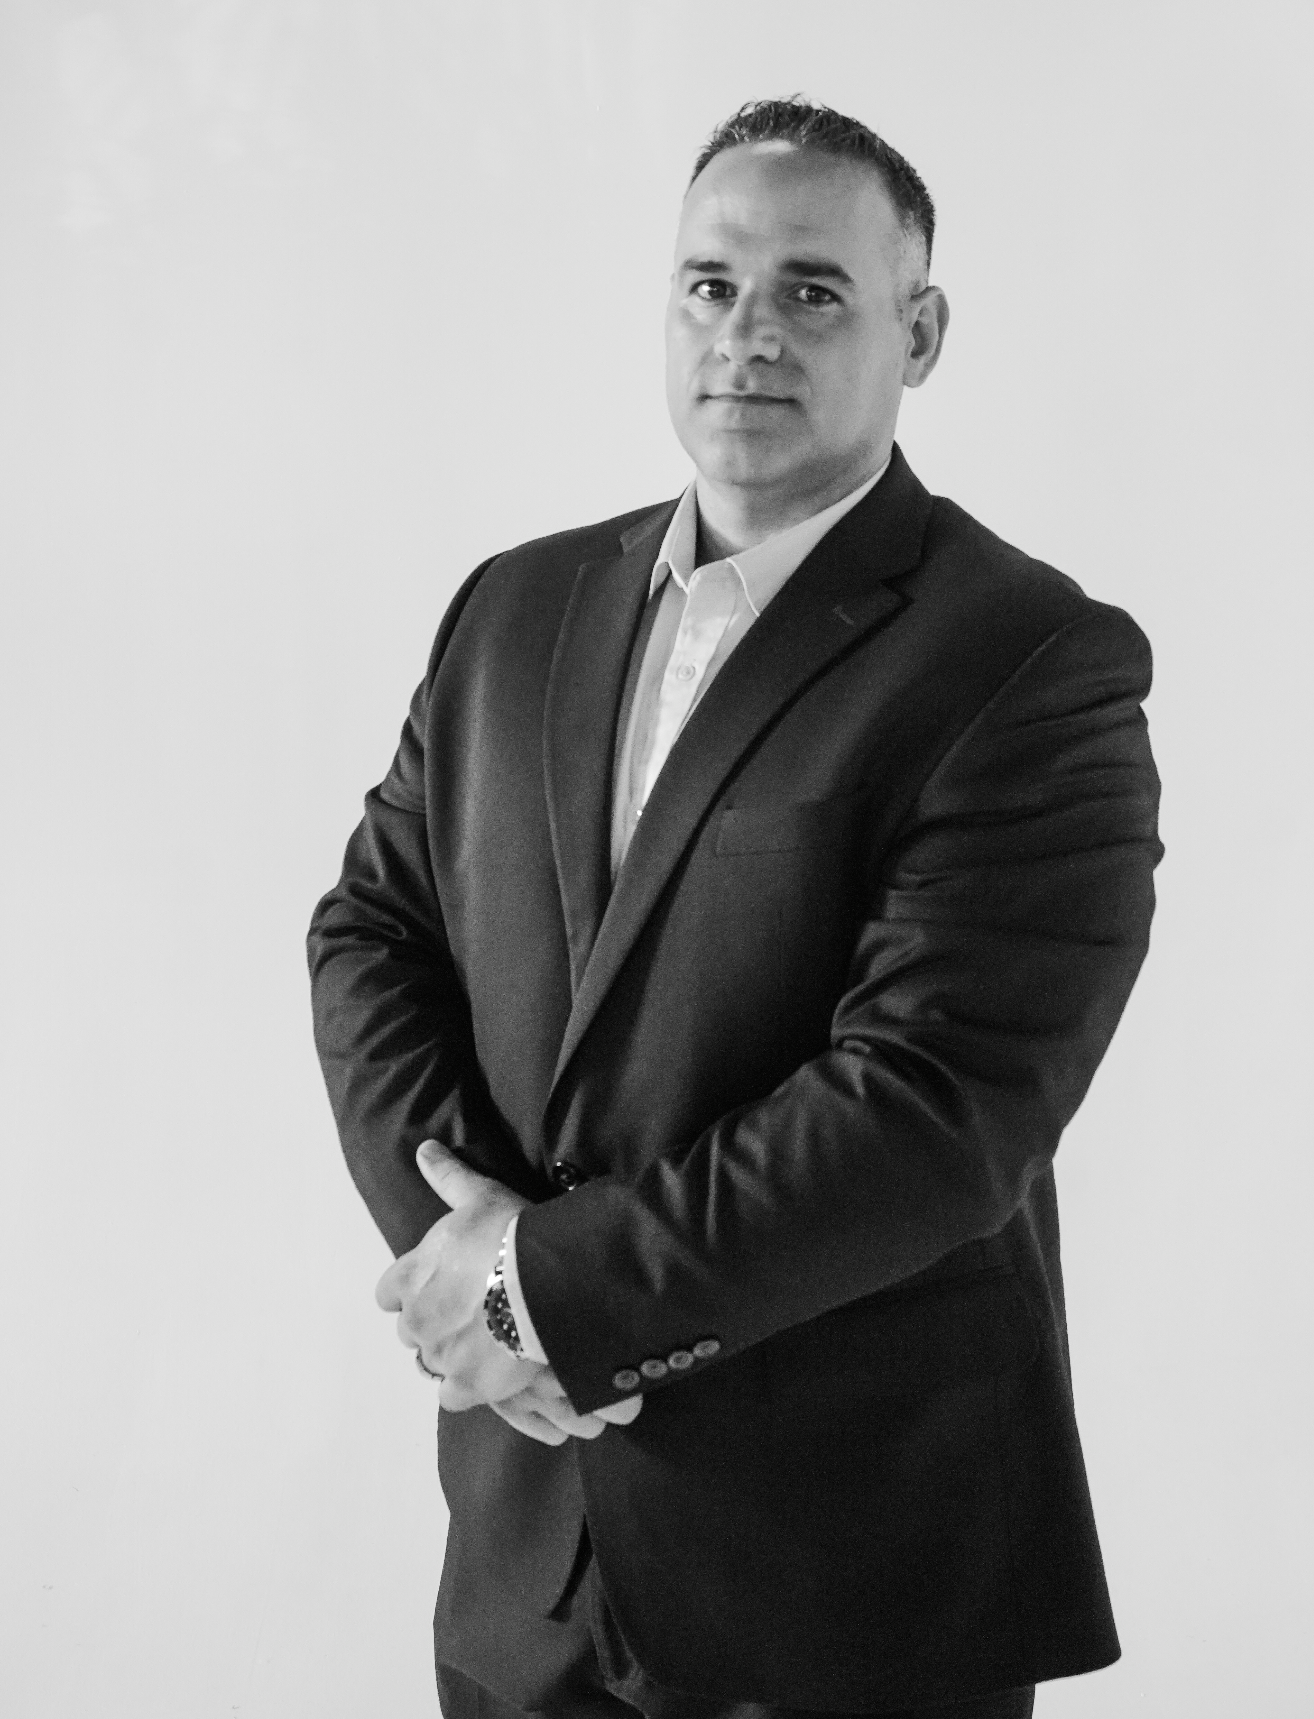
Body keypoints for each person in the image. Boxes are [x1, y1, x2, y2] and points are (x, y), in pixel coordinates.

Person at [308, 97, 1163, 1719]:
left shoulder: (1029, 662)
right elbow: (374, 934)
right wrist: (463, 1260)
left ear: (920, 333)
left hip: (848, 1580)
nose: (748, 335)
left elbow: (935, 1112)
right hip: (524, 1558)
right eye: (710, 285)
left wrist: (542, 1296)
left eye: (813, 292)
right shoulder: (515, 606)